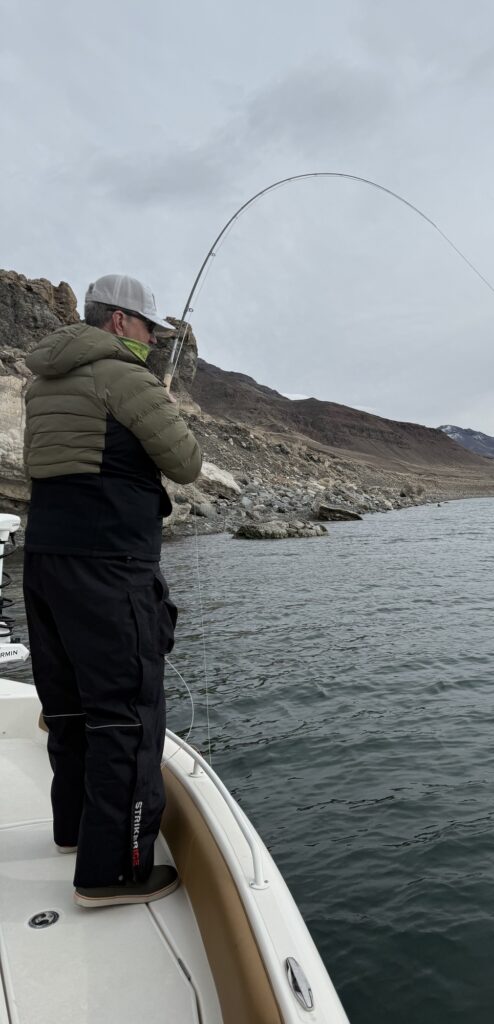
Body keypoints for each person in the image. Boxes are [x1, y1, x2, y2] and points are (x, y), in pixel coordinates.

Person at [22, 274, 202, 908]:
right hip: (108, 569)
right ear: (120, 322)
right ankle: (114, 872)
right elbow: (185, 463)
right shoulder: (126, 378)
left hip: (45, 564)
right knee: (126, 713)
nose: (155, 341)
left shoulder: (40, 383)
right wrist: (160, 403)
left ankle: (74, 831)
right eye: (150, 329)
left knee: (68, 706)